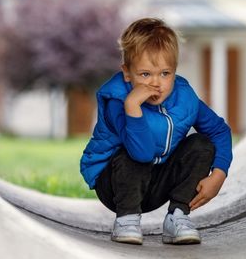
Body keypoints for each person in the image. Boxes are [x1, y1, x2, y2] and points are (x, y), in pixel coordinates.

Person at [80, 17, 233, 245]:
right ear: (127, 73)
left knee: (202, 144)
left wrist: (219, 173)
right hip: (114, 184)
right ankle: (127, 219)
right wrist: (132, 106)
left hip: (155, 181)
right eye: (145, 74)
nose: (156, 83)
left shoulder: (184, 97)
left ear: (174, 71)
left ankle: (178, 217)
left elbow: (219, 130)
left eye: (165, 73)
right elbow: (141, 153)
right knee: (133, 154)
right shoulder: (117, 101)